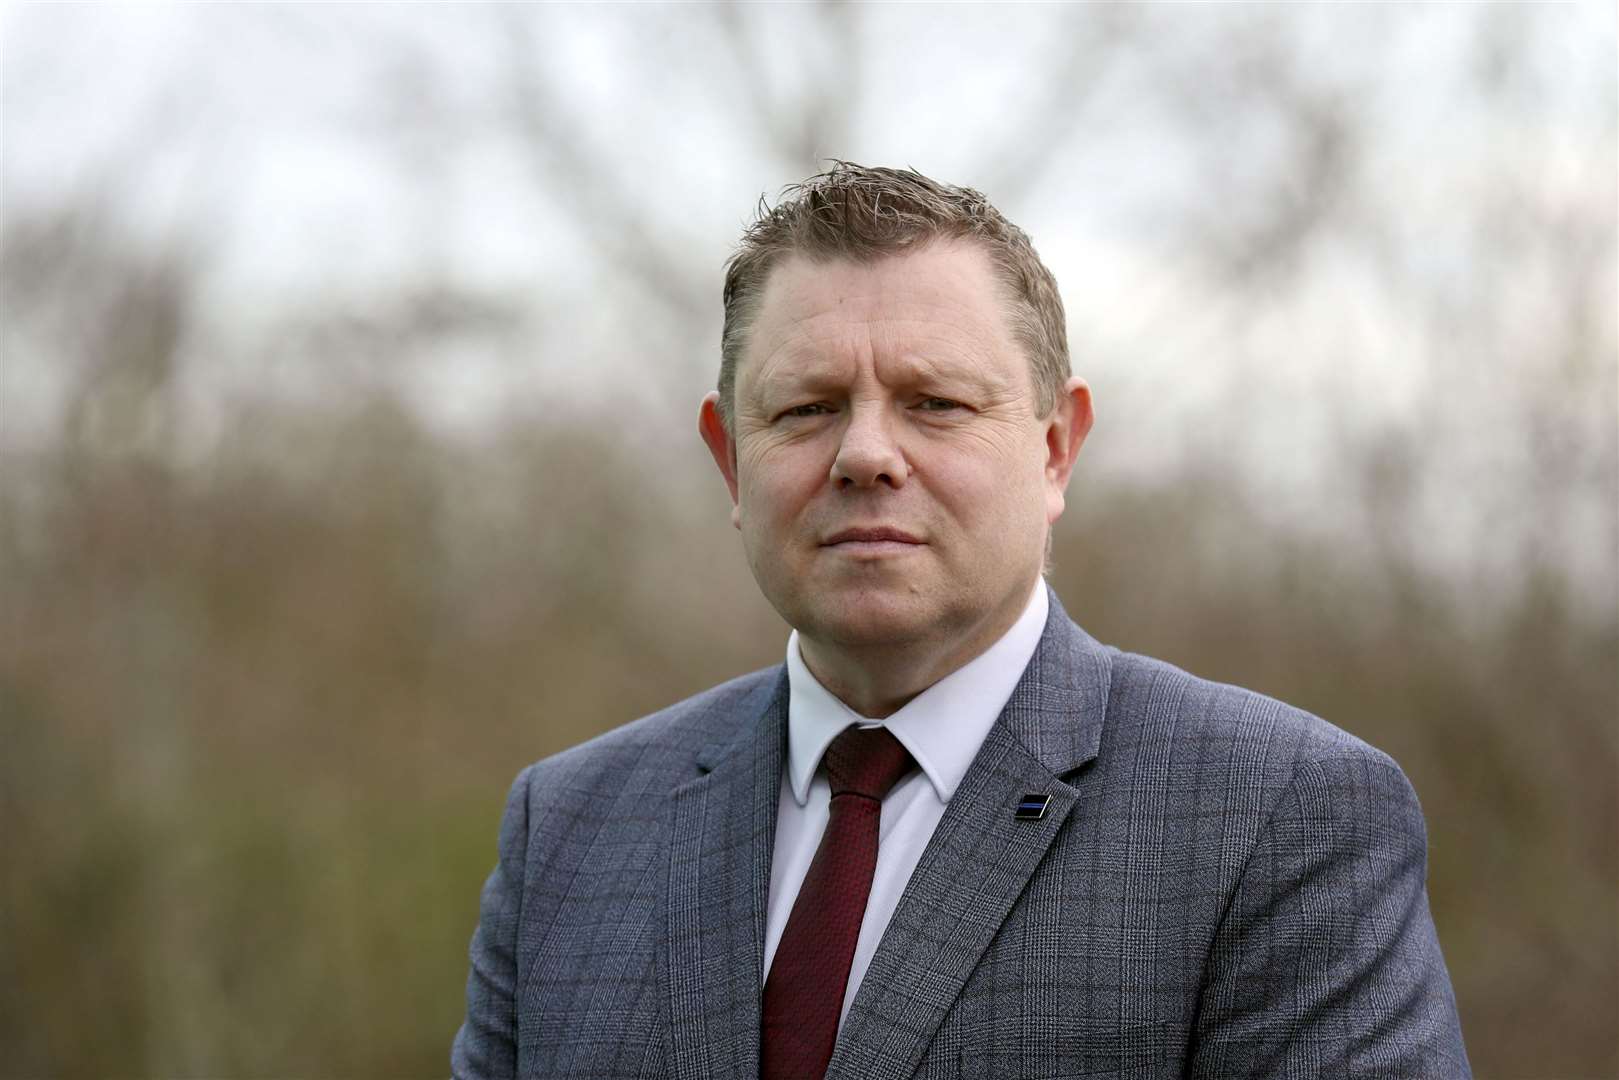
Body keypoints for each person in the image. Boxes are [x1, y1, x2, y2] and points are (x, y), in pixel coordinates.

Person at [451, 163, 1470, 1079]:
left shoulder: (1278, 818)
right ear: (729, 459)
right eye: (804, 408)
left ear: (1056, 447)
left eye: (933, 403)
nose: (864, 455)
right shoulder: (571, 833)